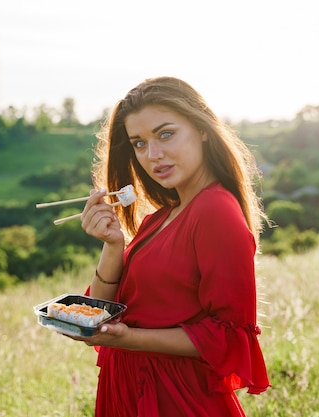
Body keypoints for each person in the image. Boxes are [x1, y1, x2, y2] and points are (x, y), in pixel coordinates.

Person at [70, 76, 270, 416]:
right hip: (128, 389)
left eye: (165, 134)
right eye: (139, 143)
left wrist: (127, 339)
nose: (154, 155)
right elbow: (102, 310)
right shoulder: (160, 218)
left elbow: (229, 335)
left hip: (176, 398)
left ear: (202, 128)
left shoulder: (215, 211)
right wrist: (114, 246)